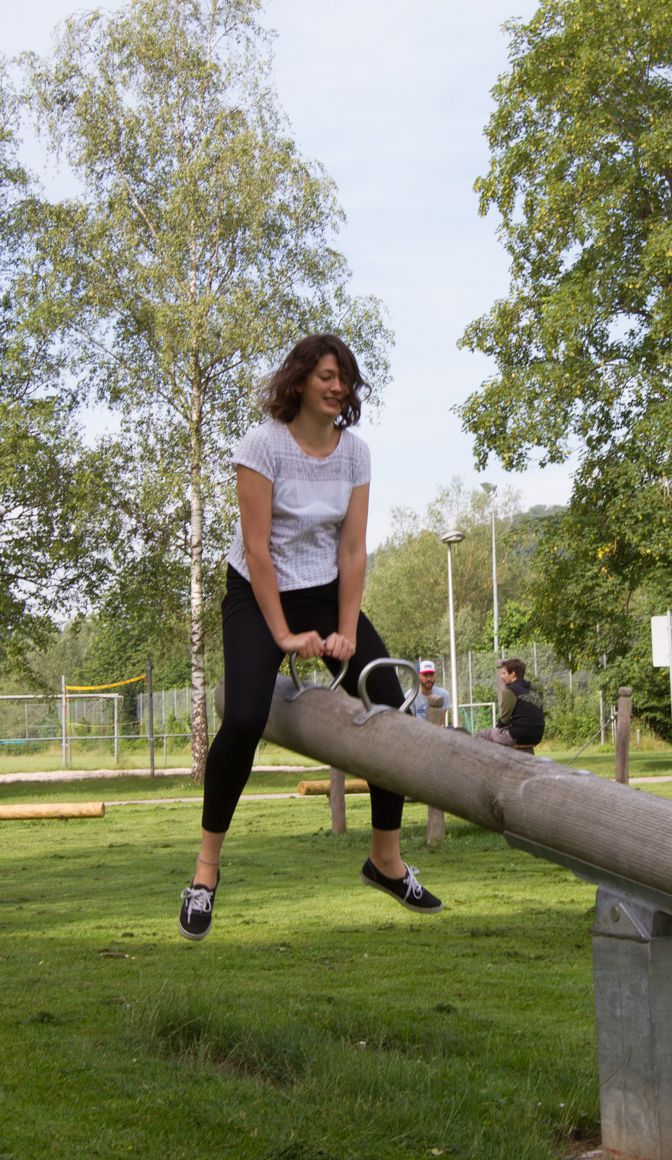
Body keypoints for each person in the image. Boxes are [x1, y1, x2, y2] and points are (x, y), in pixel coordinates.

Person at [179, 334, 443, 941]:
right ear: (298, 380)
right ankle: (205, 874)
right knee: (243, 716)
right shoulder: (262, 445)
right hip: (257, 590)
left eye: (345, 379)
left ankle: (385, 860)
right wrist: (285, 635)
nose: (337, 387)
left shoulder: (356, 455)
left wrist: (346, 632)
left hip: (325, 589)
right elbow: (257, 549)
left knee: (390, 709)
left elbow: (352, 549)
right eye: (326, 375)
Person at [476, 659, 543, 751]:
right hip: (537, 736)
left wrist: (497, 731)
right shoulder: (533, 690)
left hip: (518, 736)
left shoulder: (510, 690)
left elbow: (504, 720)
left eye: (504, 673)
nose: (501, 677)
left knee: (481, 734)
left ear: (513, 674)